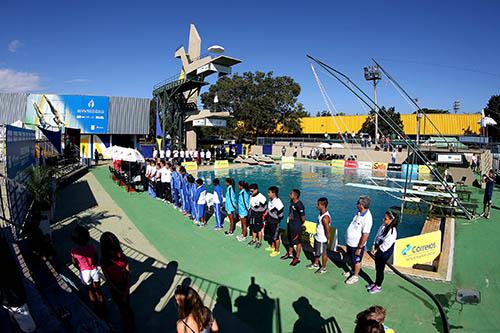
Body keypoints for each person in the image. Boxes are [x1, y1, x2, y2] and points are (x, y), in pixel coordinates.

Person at [99, 232, 135, 332]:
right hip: (123, 284)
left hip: (116, 288)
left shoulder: (103, 261)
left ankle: (128, 326)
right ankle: (131, 325)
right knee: (127, 306)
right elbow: (127, 270)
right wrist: (126, 288)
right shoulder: (121, 255)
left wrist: (120, 291)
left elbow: (108, 280)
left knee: (122, 307)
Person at [70, 226, 105, 316]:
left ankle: (95, 308)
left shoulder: (74, 250)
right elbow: (96, 257)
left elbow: (74, 263)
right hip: (94, 270)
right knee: (98, 290)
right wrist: (94, 264)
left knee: (90, 290)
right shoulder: (91, 247)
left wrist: (80, 268)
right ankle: (103, 309)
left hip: (85, 272)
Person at [344, 196, 373, 285]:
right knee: (352, 259)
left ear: (361, 205)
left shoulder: (367, 218)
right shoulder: (360, 213)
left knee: (357, 261)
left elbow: (365, 235)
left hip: (357, 245)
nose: (356, 204)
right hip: (350, 243)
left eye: (358, 203)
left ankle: (355, 276)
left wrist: (359, 248)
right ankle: (353, 271)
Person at [367, 211, 398, 294]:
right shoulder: (383, 226)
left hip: (384, 252)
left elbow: (387, 244)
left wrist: (378, 249)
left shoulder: (392, 231)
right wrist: (374, 244)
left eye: (385, 219)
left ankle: (378, 286)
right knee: (377, 268)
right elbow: (377, 235)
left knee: (380, 269)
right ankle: (376, 283)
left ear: (391, 220)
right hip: (378, 249)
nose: (383, 220)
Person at [280, 189, 305, 266]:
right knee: (290, 240)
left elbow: (303, 218)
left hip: (296, 227)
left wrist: (298, 225)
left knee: (298, 242)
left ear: (295, 196)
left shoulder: (299, 205)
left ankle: (297, 258)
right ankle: (290, 253)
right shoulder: (292, 203)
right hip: (290, 225)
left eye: (291, 194)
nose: (289, 195)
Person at [306, 197, 331, 274]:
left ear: (323, 205)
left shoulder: (325, 218)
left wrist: (328, 239)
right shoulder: (321, 214)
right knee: (316, 252)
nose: (316, 205)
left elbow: (327, 230)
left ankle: (323, 268)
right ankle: (316, 264)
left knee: (323, 254)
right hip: (318, 237)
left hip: (322, 239)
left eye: (318, 204)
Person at [264, 186, 284, 257]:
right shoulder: (270, 199)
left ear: (274, 193)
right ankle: (272, 246)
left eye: (269, 192)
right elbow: (269, 209)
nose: (268, 194)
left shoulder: (279, 203)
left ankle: (277, 250)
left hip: (275, 222)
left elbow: (281, 215)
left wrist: (276, 220)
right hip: (269, 220)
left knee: (276, 237)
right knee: (271, 235)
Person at [247, 184, 267, 248]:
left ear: (256, 190)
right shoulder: (251, 195)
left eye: (252, 191)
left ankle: (259, 242)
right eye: (250, 191)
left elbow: (265, 207)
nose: (251, 192)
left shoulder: (261, 197)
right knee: (253, 228)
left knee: (259, 229)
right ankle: (254, 240)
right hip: (252, 215)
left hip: (258, 216)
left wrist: (257, 210)